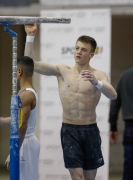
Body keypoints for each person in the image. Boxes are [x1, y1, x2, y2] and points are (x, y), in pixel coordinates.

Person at [24, 24, 117, 180]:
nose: (79, 52)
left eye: (84, 50)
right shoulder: (62, 70)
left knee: (89, 177)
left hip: (90, 130)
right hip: (69, 130)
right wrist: (30, 36)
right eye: (77, 48)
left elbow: (113, 95)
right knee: (77, 176)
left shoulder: (98, 75)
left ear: (92, 54)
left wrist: (97, 83)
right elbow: (30, 64)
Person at [0, 56, 40, 180]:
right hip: (26, 141)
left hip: (25, 142)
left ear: (19, 71)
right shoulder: (25, 93)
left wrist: (14, 152)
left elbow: (22, 126)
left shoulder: (26, 95)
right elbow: (16, 121)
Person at [109, 68, 133, 180]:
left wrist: (113, 126)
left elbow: (115, 103)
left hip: (130, 127)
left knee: (129, 166)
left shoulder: (125, 76)